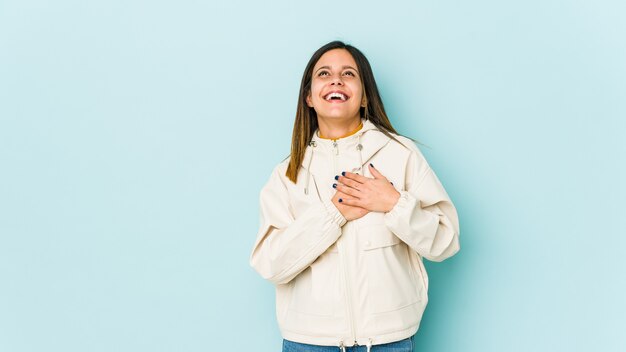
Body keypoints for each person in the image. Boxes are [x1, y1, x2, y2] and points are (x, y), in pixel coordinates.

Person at [249, 40, 460, 352]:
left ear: (364, 97)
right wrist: (334, 214)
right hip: (309, 343)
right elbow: (271, 265)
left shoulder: (400, 155)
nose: (336, 79)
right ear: (309, 96)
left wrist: (393, 203)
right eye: (324, 74)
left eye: (348, 74)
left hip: (388, 341)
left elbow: (446, 242)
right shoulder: (287, 174)